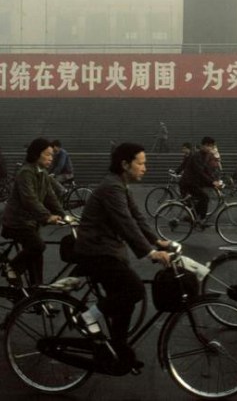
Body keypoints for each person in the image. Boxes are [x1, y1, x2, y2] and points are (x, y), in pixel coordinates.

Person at [73, 142, 172, 369]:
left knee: (124, 303)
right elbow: (125, 222)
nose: (145, 168)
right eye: (141, 163)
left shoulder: (119, 184)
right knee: (134, 290)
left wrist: (158, 241)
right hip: (95, 251)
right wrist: (150, 252)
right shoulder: (112, 187)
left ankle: (117, 351)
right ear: (125, 164)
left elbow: (137, 217)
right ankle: (87, 318)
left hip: (106, 250)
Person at [1, 138, 65, 287]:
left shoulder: (43, 173)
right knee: (38, 246)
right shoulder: (26, 172)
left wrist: (64, 215)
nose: (51, 158)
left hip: (30, 223)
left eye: (52, 155)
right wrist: (47, 216)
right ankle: (11, 268)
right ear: (36, 154)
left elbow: (50, 197)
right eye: (47, 154)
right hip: (16, 222)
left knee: (37, 258)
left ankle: (37, 292)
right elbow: (29, 200)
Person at [180, 136, 222, 220]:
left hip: (194, 182)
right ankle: (199, 219)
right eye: (210, 146)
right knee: (204, 198)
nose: (211, 148)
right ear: (204, 145)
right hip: (188, 182)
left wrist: (214, 180)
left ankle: (195, 217)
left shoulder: (205, 155)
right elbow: (200, 172)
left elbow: (207, 169)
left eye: (212, 146)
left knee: (202, 199)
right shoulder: (197, 156)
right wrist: (212, 182)